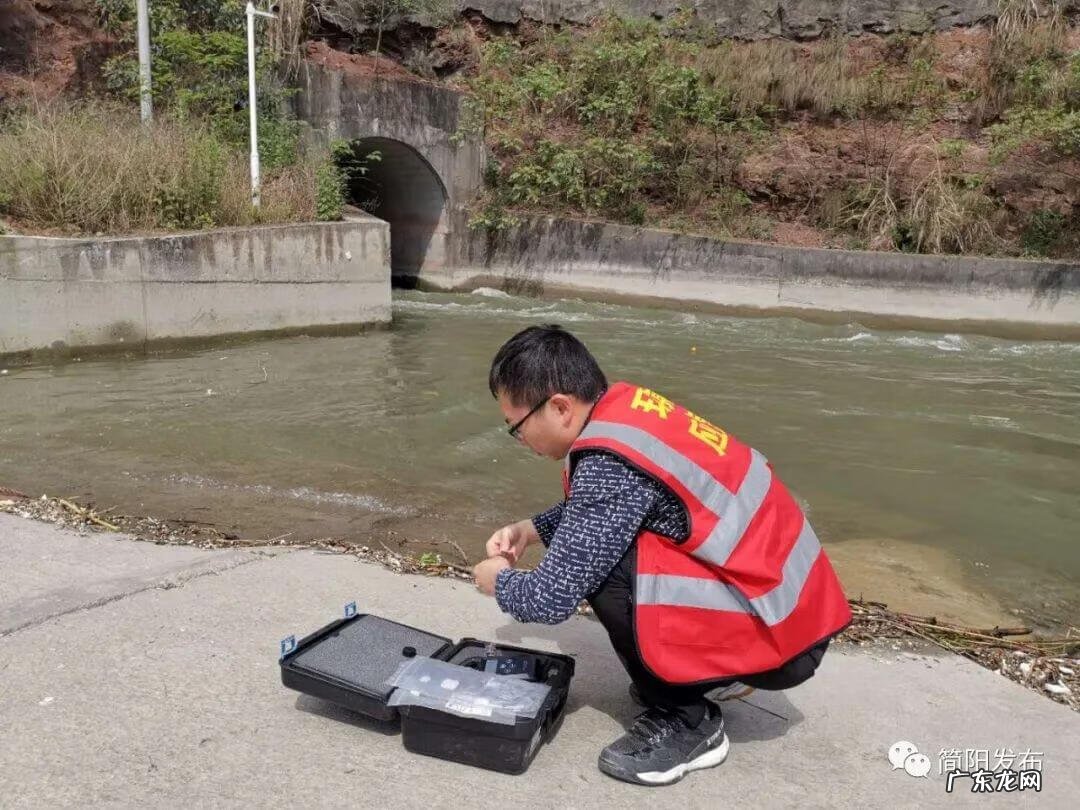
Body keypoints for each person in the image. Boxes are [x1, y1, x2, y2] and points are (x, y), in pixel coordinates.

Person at [472, 324, 852, 787]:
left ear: (559, 408)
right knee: (603, 545)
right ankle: (707, 671)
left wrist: (497, 579)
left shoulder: (610, 462)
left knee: (602, 567)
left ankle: (689, 719)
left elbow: (550, 599)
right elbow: (604, 507)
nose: (519, 440)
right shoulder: (625, 409)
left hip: (782, 638)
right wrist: (528, 530)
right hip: (793, 611)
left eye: (517, 426)